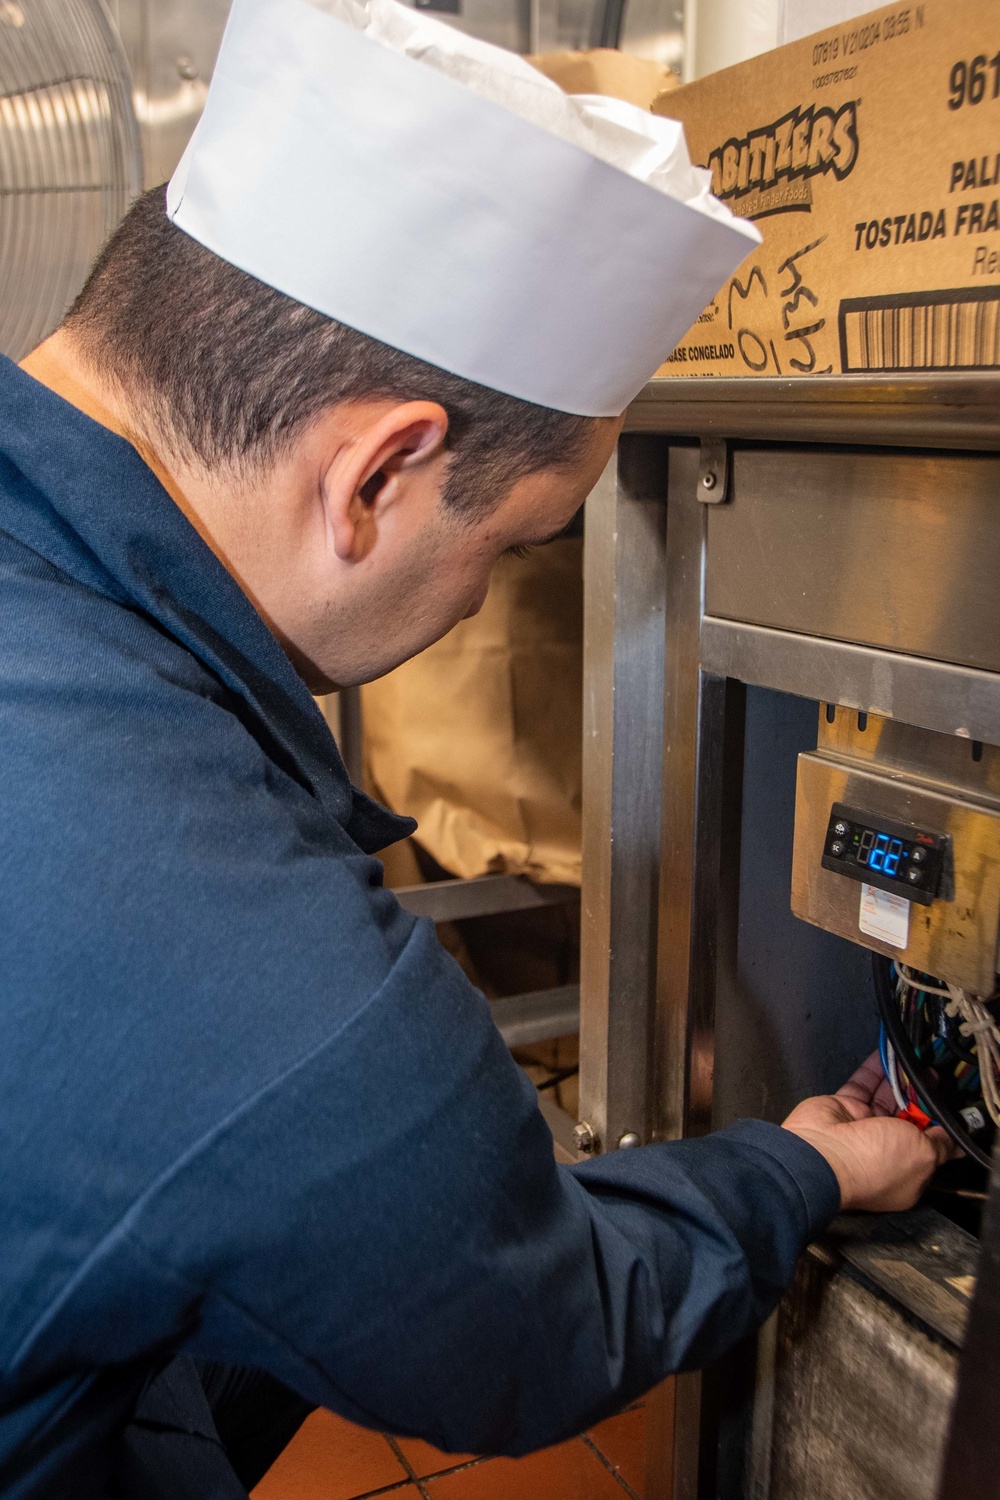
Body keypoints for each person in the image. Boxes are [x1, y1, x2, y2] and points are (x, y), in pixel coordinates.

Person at [0, 0, 952, 1495]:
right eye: (518, 547)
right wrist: (809, 1165)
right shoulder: (241, 964)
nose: (487, 598)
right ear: (378, 475)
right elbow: (532, 1324)